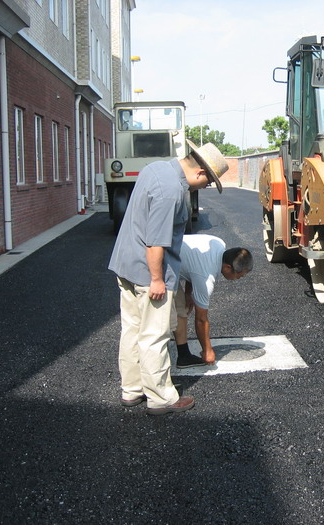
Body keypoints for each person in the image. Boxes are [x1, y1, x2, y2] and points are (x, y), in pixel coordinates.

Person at [108, 141, 228, 416]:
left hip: (125, 264)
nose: (206, 187)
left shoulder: (156, 168)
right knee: (154, 335)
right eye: (208, 182)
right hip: (146, 272)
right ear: (200, 173)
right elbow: (155, 242)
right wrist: (157, 279)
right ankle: (161, 397)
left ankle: (132, 390)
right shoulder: (171, 192)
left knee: (132, 331)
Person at [172, 235, 253, 367]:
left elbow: (192, 261)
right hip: (156, 264)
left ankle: (183, 356)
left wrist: (188, 293)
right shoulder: (206, 277)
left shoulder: (219, 243)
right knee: (169, 316)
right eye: (238, 276)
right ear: (227, 267)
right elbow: (201, 319)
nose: (239, 278)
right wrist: (207, 350)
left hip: (170, 254)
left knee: (181, 309)